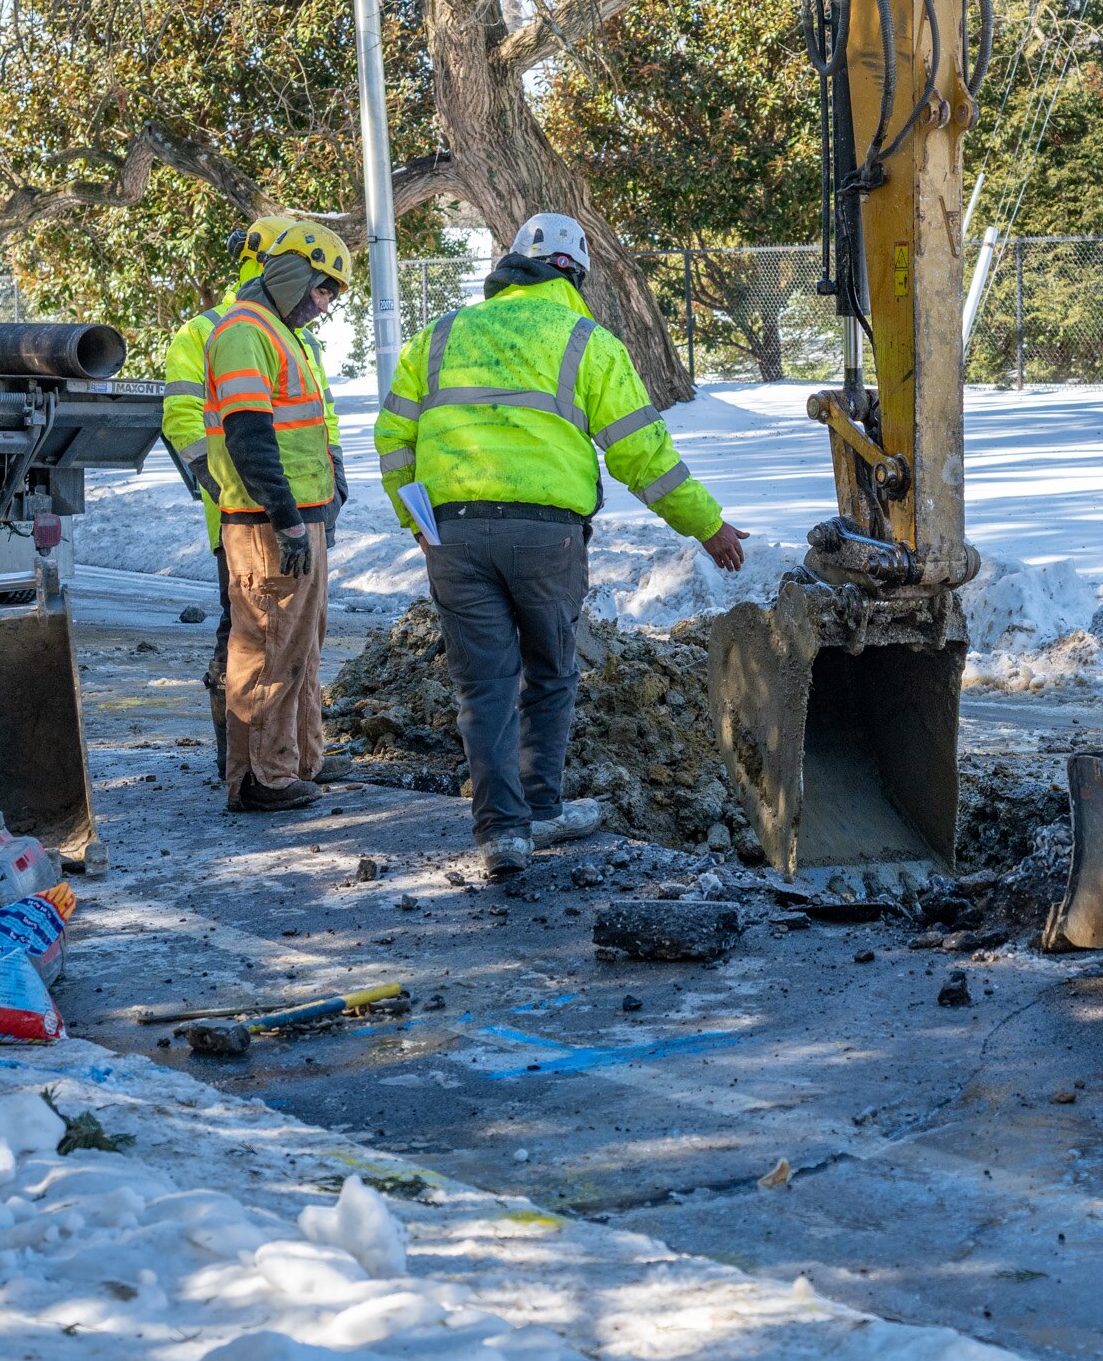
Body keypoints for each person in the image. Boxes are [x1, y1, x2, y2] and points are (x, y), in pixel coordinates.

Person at [378, 213, 748, 879]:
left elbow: (392, 441)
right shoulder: (586, 339)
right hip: (546, 535)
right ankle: (541, 808)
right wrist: (707, 525)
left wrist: (420, 522)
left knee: (483, 686)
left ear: (509, 267)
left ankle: (501, 834)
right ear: (575, 274)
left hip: (454, 533)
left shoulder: (438, 336)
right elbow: (643, 456)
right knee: (549, 672)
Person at [159, 215, 346, 779]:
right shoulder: (237, 331)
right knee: (264, 647)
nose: (324, 305)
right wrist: (257, 505)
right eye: (320, 289)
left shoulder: (290, 336)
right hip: (263, 517)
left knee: (298, 647)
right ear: (287, 274)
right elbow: (238, 433)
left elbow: (312, 422)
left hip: (296, 511)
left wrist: (330, 486)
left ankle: (296, 761)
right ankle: (259, 773)